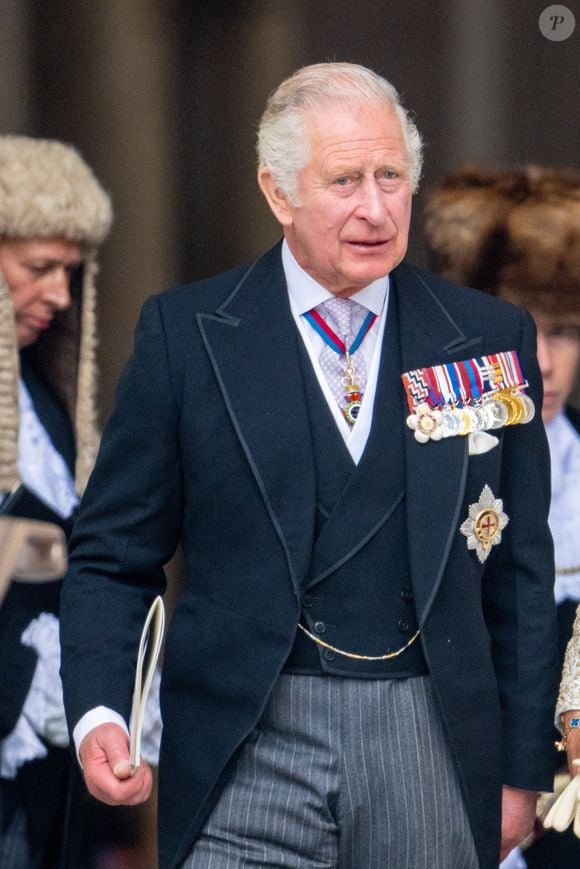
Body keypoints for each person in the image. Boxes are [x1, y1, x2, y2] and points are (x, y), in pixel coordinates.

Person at [60, 63, 559, 869]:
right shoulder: (187, 337)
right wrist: (100, 713)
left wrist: (520, 771)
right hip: (245, 738)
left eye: (391, 176)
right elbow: (114, 557)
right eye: (344, 180)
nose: (375, 206)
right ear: (278, 192)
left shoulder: (487, 336)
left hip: (427, 733)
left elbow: (522, 573)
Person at [423, 164, 580, 866]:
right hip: (440, 789)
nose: (543, 361)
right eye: (522, 329)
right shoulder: (427, 462)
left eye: (566, 330)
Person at [0, 135, 112, 867]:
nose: (61, 295)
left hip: (45, 742)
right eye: (38, 268)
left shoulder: (40, 394)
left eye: (70, 273)